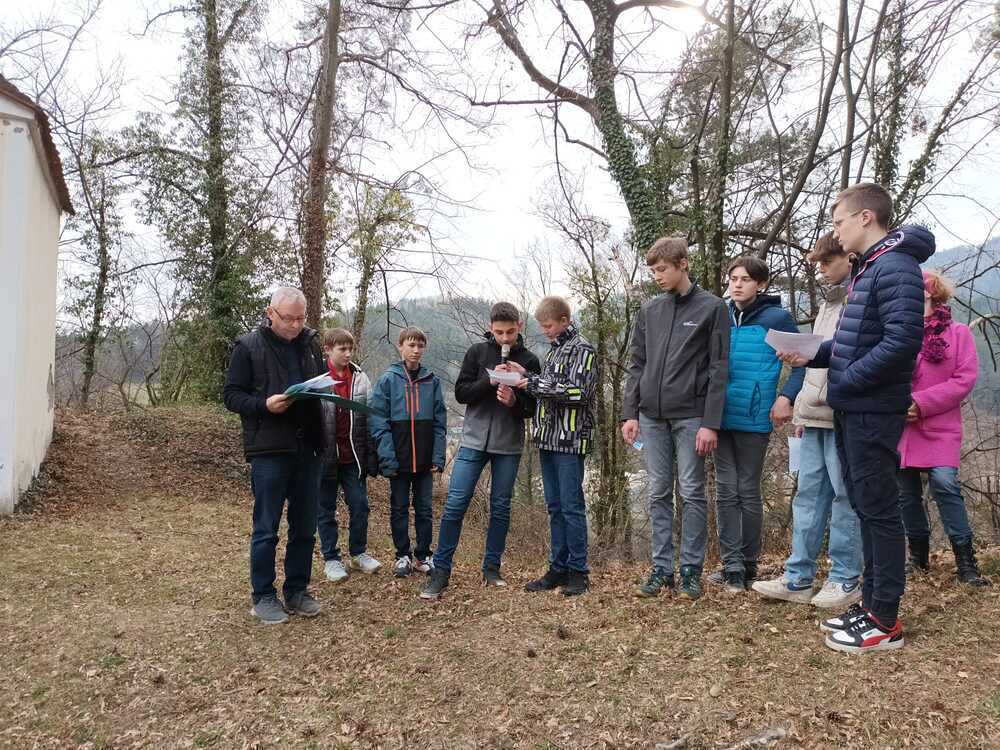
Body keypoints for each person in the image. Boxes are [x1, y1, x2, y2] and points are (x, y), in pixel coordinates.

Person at [778, 183, 934, 654]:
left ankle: (885, 621)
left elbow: (901, 342)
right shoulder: (869, 268)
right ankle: (870, 606)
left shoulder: (896, 267)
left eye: (839, 221)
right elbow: (856, 343)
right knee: (866, 507)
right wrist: (814, 355)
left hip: (872, 409)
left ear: (866, 217)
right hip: (854, 406)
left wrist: (846, 381)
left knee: (880, 510)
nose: (835, 231)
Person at [752, 233, 863, 609]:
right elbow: (816, 362)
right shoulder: (829, 303)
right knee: (808, 498)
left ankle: (845, 578)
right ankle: (798, 579)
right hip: (814, 416)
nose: (822, 270)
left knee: (845, 499)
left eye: (827, 262)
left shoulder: (861, 297)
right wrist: (801, 408)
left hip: (844, 415)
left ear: (849, 258)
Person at [621, 237, 730, 601]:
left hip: (691, 416)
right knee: (657, 492)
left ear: (683, 264)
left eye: (662, 269)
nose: (657, 276)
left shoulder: (713, 307)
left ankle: (690, 571)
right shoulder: (650, 309)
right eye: (653, 270)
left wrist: (710, 422)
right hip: (651, 417)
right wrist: (630, 413)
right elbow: (637, 364)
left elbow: (719, 368)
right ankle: (661, 570)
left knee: (692, 491)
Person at [420, 302, 542, 600]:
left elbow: (532, 408)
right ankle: (441, 571)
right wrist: (489, 380)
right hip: (473, 441)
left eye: (510, 332)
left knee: (500, 507)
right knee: (455, 503)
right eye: (499, 332)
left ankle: (491, 568)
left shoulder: (530, 360)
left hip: (508, 445)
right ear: (490, 328)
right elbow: (462, 393)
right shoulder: (477, 352)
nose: (505, 338)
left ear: (519, 326)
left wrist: (514, 401)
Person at [222, 286, 326, 625]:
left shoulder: (311, 343)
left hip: (308, 447)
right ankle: (263, 596)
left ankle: (297, 590)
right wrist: (264, 405)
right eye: (288, 318)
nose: (295, 325)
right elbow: (232, 396)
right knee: (266, 527)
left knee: (305, 526)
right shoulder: (247, 347)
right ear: (270, 313)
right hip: (269, 448)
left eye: (300, 318)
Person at [710, 256, 804, 593]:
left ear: (760, 284)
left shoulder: (774, 319)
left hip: (754, 415)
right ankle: (731, 566)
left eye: (745, 279)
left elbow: (803, 363)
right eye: (733, 278)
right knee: (725, 491)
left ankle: (749, 564)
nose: (737, 285)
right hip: (719, 415)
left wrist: (786, 397)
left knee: (747, 490)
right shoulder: (720, 314)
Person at [898, 270, 988, 587]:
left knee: (945, 483)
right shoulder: (900, 331)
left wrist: (921, 403)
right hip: (903, 425)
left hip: (941, 424)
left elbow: (964, 379)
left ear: (929, 292)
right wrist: (899, 402)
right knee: (906, 494)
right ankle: (918, 558)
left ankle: (966, 562)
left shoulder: (958, 333)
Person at [505, 296, 597, 597]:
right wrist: (525, 375)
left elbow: (578, 392)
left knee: (571, 507)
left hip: (570, 440)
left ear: (564, 321)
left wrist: (531, 384)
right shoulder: (555, 349)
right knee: (555, 508)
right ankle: (558, 568)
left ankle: (579, 573)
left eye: (548, 326)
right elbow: (551, 386)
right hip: (547, 438)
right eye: (542, 326)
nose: (544, 331)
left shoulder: (582, 349)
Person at [369, 326, 447, 578]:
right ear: (400, 346)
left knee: (424, 510)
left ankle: (423, 556)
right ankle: (402, 555)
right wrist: (387, 458)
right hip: (398, 459)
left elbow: (440, 423)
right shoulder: (388, 379)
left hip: (424, 460)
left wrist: (438, 456)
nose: (415, 350)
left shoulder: (432, 381)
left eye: (420, 346)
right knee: (399, 509)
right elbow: (378, 422)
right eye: (411, 345)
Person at [316, 328, 382, 583]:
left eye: (350, 349)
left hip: (353, 456)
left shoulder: (360, 377)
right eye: (341, 349)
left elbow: (368, 417)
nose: (347, 354)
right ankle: (331, 559)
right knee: (326, 510)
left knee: (360, 506)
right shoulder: (318, 378)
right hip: (325, 456)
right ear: (327, 350)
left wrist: (371, 455)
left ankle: (358, 553)